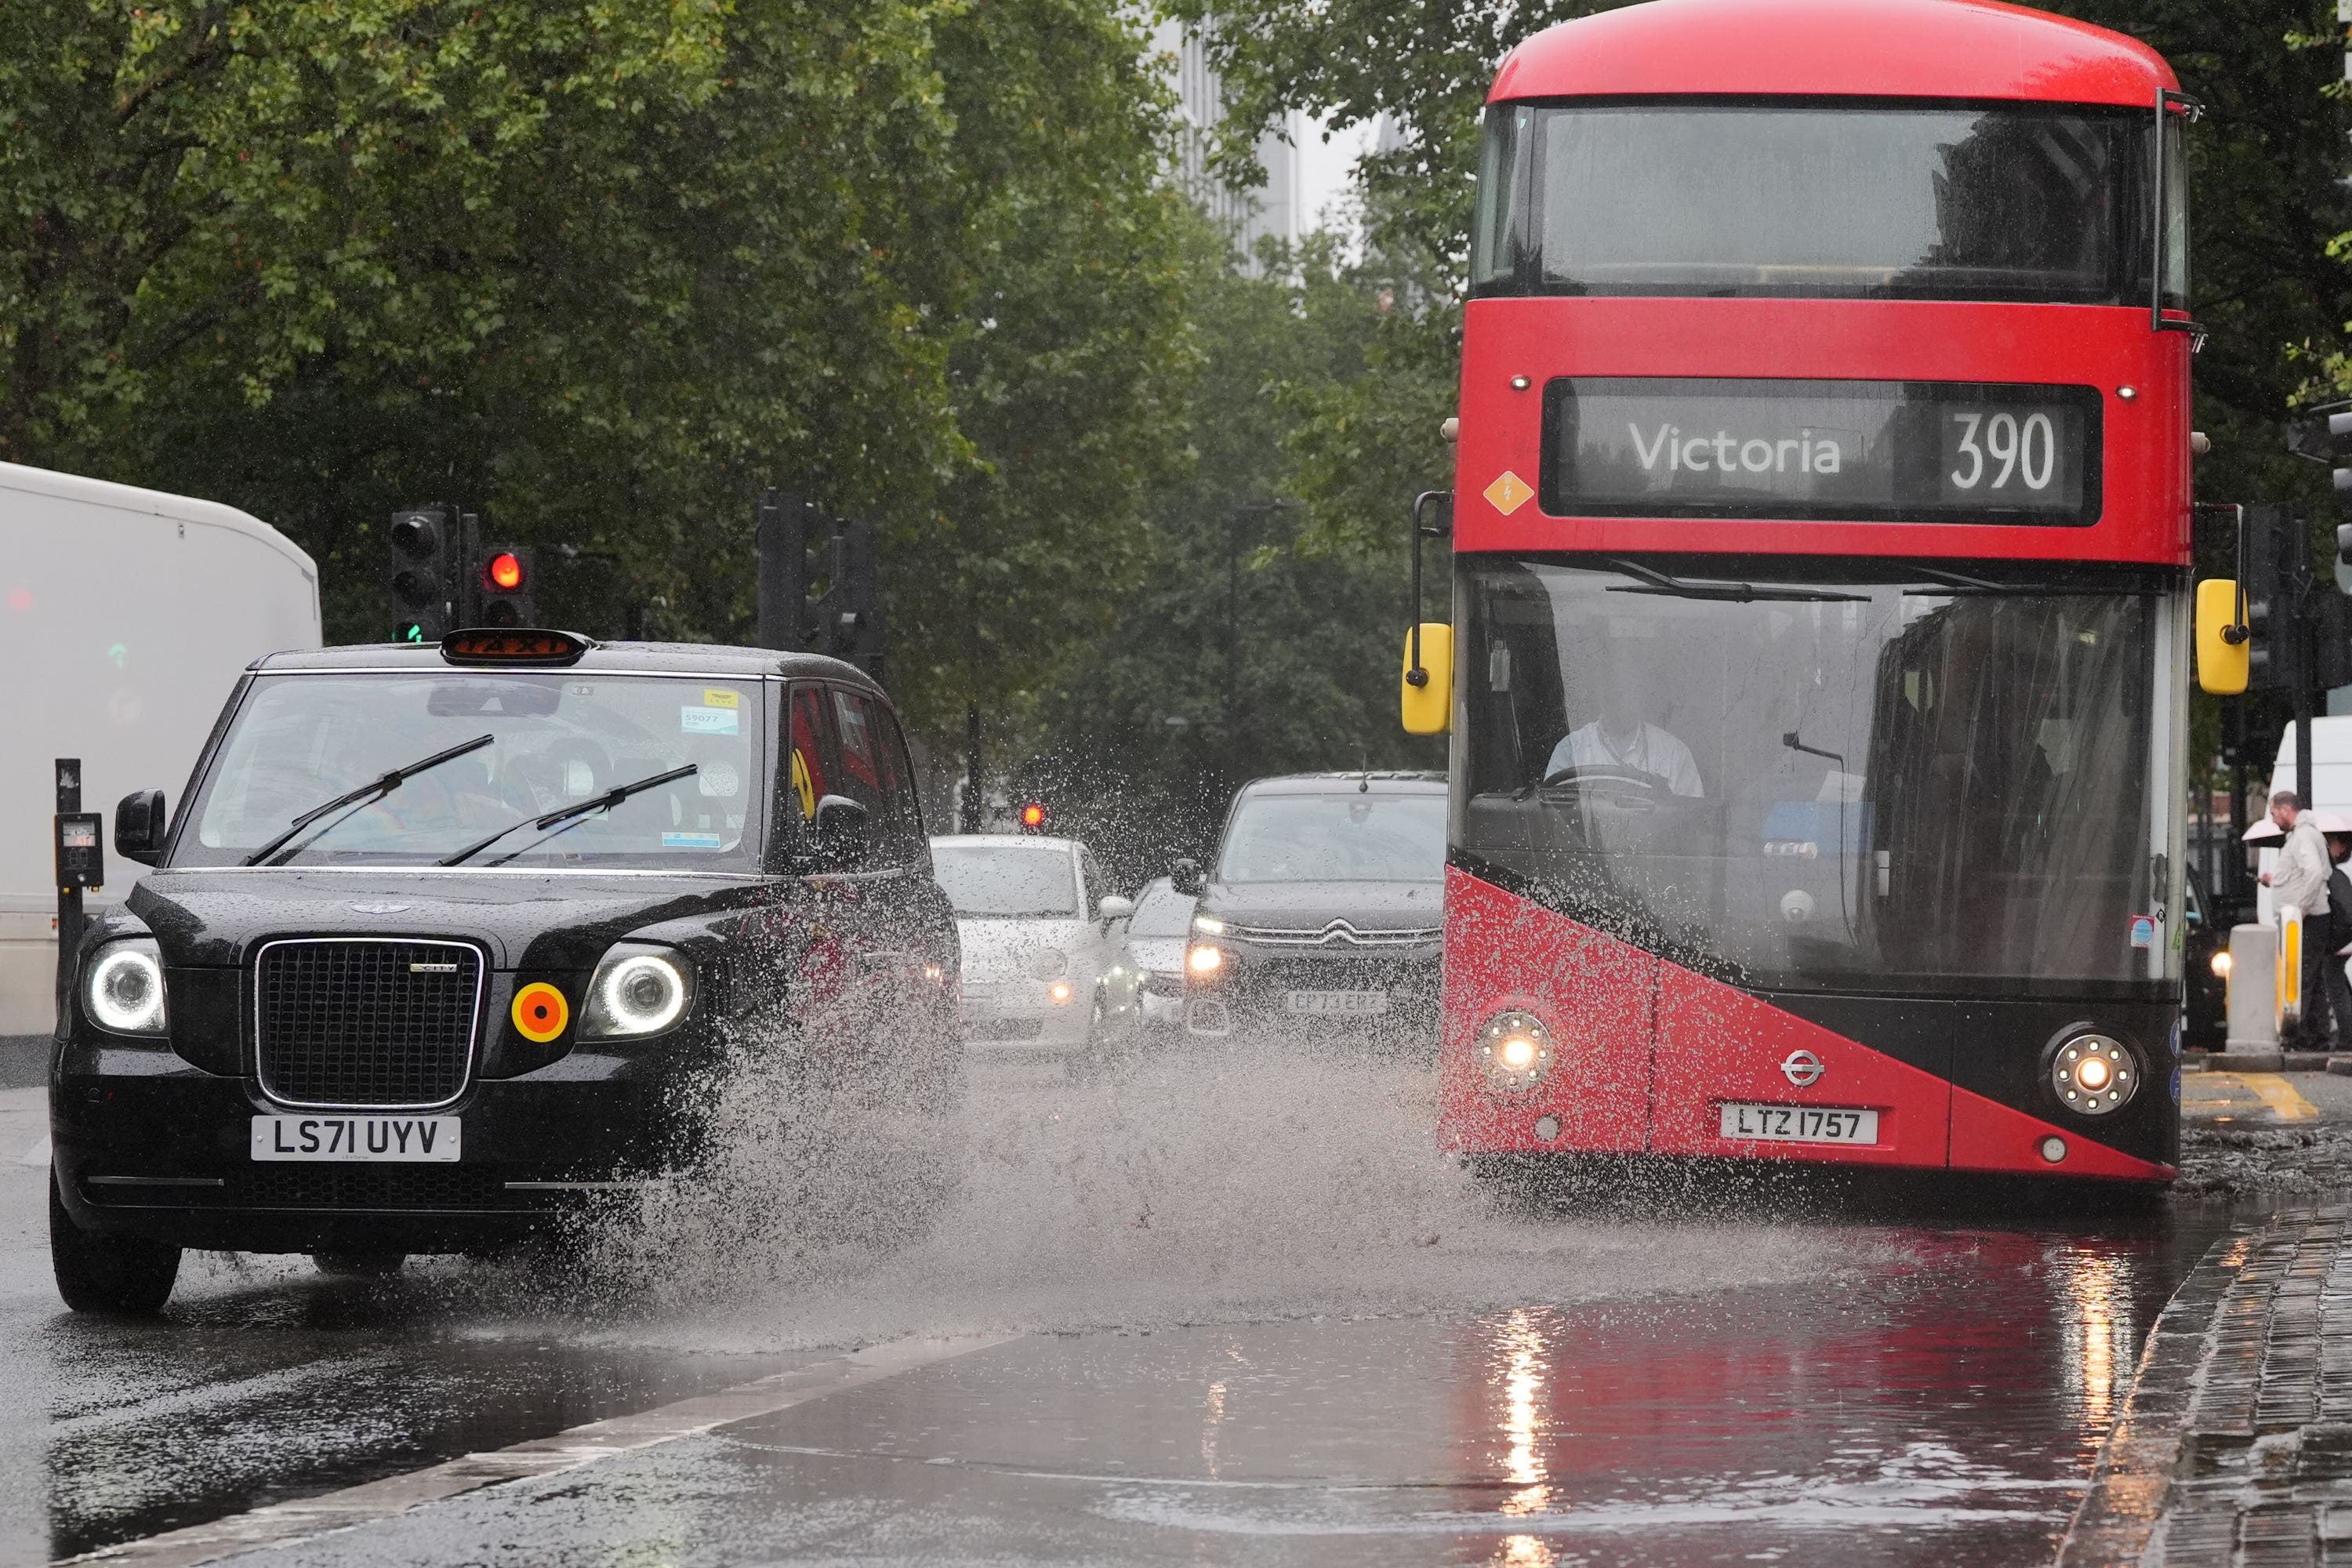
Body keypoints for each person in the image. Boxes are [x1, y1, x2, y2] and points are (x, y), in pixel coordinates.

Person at [1547, 677, 1704, 797]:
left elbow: (1692, 824)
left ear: (1640, 689)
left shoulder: (1674, 753)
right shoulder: (1570, 750)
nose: (1616, 693)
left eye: (1624, 683)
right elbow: (1554, 821)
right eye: (1608, 682)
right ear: (1597, 690)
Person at [2263, 790, 2332, 1043]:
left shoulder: (2303, 836)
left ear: (2286, 809)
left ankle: (2301, 1036)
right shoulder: (2301, 835)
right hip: (2309, 919)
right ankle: (2317, 1036)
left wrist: (2300, 910)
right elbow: (2304, 874)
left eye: (2273, 813)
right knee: (2311, 979)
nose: (2273, 820)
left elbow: (2313, 873)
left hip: (2308, 920)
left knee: (2300, 977)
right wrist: (2277, 881)